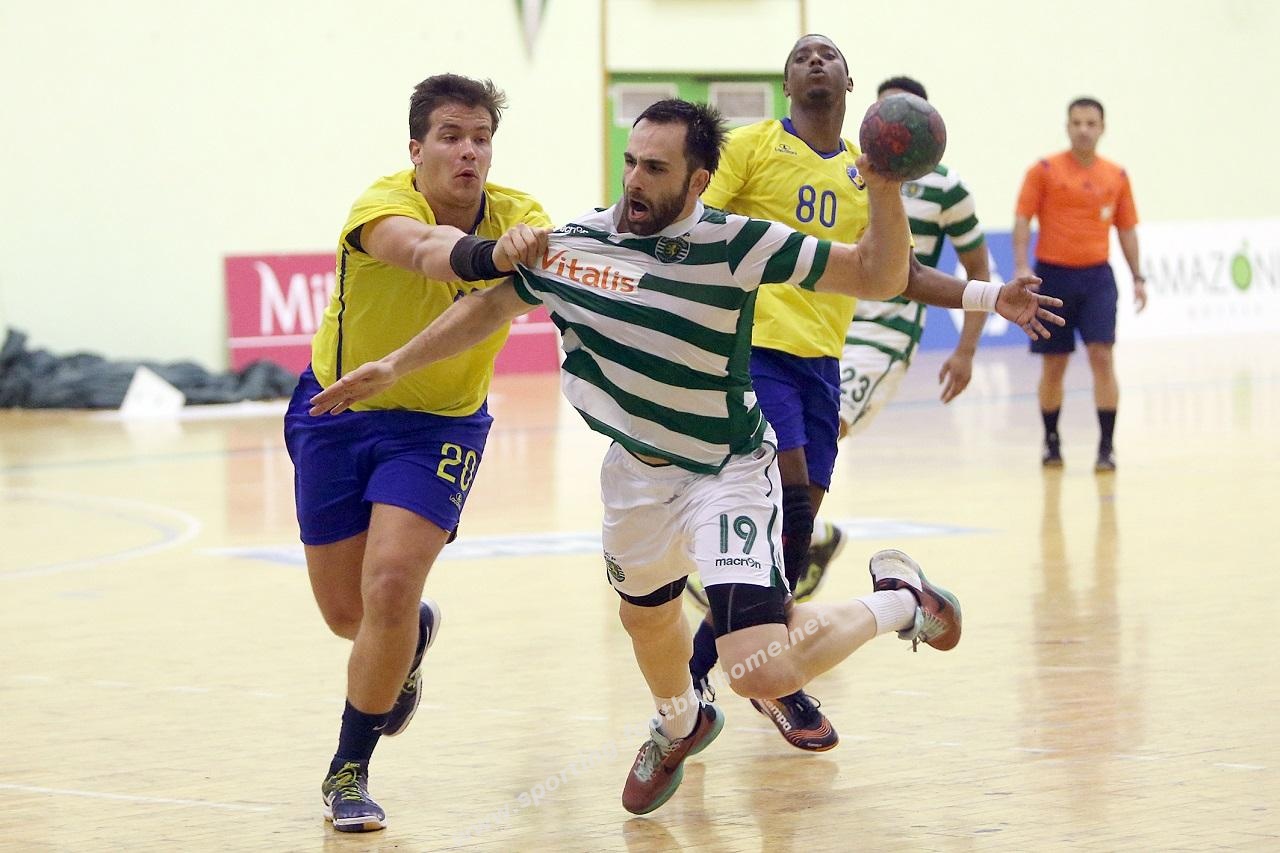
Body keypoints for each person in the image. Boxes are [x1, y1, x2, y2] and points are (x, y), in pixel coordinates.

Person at [309, 99, 1061, 815]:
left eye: (656, 169)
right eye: (631, 162)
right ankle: (679, 722)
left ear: (698, 180)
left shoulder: (737, 243)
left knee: (758, 667)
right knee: (647, 623)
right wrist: (394, 366)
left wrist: (888, 190)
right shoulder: (575, 243)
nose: (635, 181)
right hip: (635, 474)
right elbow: (490, 306)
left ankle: (901, 599)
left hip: (726, 472)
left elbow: (876, 273)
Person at [686, 35, 1061, 752]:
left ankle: (739, 673)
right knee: (789, 508)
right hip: (751, 351)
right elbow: (697, 223)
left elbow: (900, 274)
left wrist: (990, 296)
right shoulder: (753, 146)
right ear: (787, 82)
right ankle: (727, 684)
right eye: (802, 55)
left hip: (821, 364)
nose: (815, 61)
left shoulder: (871, 178)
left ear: (851, 84)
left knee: (787, 548)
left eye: (827, 54)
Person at [282, 73, 551, 833]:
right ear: (416, 149)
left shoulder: (524, 216)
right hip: (337, 411)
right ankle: (410, 637)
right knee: (349, 614)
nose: (469, 152)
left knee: (392, 583)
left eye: (481, 139)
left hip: (440, 427)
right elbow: (432, 252)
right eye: (451, 137)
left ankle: (349, 769)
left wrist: (524, 248)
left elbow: (510, 290)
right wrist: (496, 252)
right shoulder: (380, 208)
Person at [808, 73, 994, 605]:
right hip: (825, 318)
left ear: (925, 127)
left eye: (903, 118)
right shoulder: (847, 170)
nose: (890, 127)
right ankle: (810, 537)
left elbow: (978, 269)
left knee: (825, 428)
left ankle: (791, 549)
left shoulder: (947, 188)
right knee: (785, 435)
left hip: (884, 337)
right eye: (882, 115)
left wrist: (965, 351)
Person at [1013, 96, 1147, 472]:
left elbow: (1126, 229)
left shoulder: (1116, 176)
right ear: (1067, 126)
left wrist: (1137, 276)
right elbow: (1022, 219)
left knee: (1102, 357)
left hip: (1097, 278)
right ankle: (1051, 440)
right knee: (1054, 364)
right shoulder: (1043, 170)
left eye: (1091, 123)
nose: (1084, 130)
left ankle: (1106, 446)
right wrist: (1022, 265)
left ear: (1102, 128)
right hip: (1052, 278)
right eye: (1077, 123)